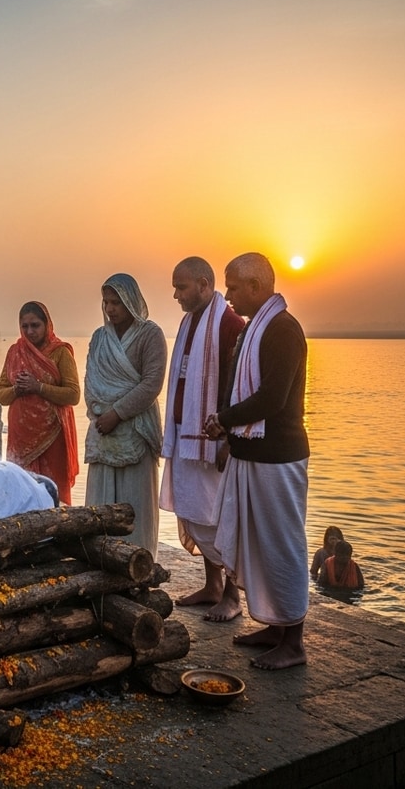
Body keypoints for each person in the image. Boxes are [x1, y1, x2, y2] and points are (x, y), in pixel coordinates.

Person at [204, 252, 310, 670]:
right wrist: (230, 434)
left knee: (282, 546)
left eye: (232, 286)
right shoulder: (253, 330)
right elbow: (238, 389)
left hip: (278, 458)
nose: (226, 294)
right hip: (251, 454)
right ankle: (274, 626)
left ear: (255, 287)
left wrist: (225, 421)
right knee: (259, 546)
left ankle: (294, 642)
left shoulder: (282, 330)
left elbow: (272, 398)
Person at [159, 257, 246, 621]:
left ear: (205, 284)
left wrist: (229, 440)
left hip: (213, 441)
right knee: (194, 513)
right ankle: (211, 586)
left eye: (182, 287)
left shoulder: (229, 324)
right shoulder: (189, 320)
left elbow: (239, 386)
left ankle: (231, 596)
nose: (176, 295)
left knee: (219, 518)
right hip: (186, 436)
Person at [83, 273, 167, 556]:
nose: (110, 309)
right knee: (101, 506)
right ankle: (100, 562)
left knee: (135, 506)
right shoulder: (99, 337)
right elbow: (91, 381)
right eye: (106, 302)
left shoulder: (150, 335)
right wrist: (100, 413)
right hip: (103, 432)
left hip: (135, 431)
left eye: (116, 302)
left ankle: (138, 562)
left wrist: (117, 414)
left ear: (131, 301)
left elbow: (151, 384)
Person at [0, 301, 80, 504]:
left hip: (53, 438)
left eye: (35, 325)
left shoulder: (61, 353)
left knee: (54, 494)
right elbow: (1, 394)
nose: (29, 331)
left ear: (47, 325)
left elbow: (73, 395)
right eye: (25, 326)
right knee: (22, 493)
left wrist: (38, 387)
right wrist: (16, 389)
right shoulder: (15, 352)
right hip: (20, 438)